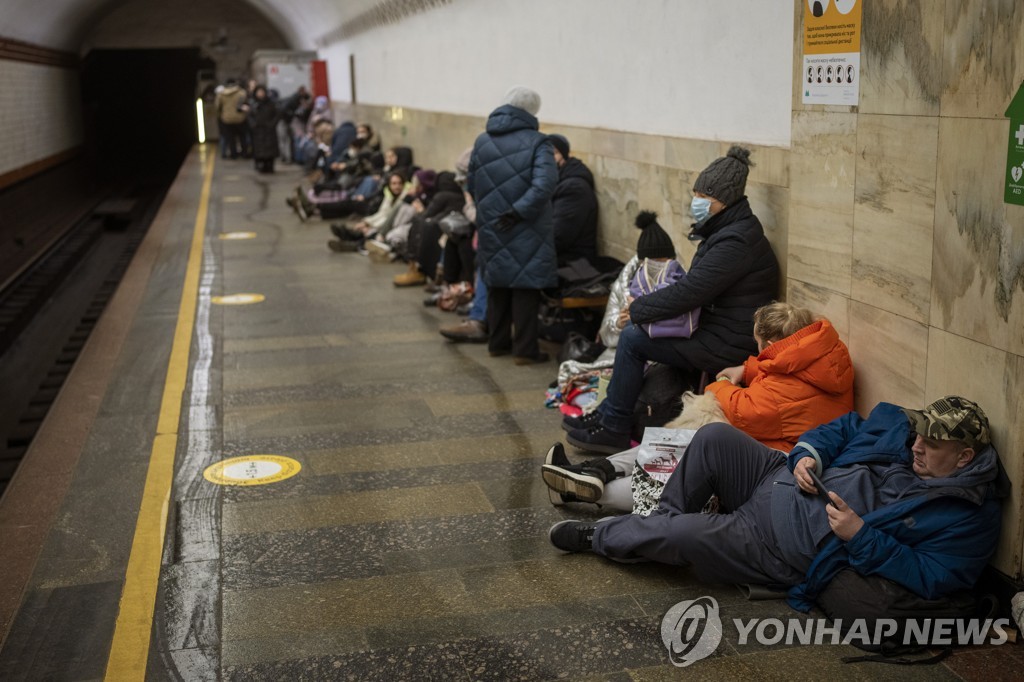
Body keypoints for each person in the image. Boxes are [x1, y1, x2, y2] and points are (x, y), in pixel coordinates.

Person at [549, 396, 1007, 612]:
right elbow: (843, 427)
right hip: (777, 475)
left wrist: (861, 536)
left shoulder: (968, 515)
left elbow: (934, 576)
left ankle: (605, 537)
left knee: (686, 533)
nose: (917, 448)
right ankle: (652, 532)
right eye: (919, 438)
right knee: (712, 437)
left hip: (777, 544)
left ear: (964, 457)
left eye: (932, 446)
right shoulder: (905, 436)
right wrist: (810, 454)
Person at [565, 145, 779, 453]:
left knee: (633, 338)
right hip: (716, 330)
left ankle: (613, 426)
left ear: (724, 201)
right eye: (696, 193)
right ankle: (607, 414)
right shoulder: (728, 230)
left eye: (704, 197)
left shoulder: (735, 241)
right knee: (636, 335)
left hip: (728, 342)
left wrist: (639, 309)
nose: (697, 202)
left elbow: (691, 291)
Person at [542, 302, 855, 509]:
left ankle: (585, 488)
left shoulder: (786, 387)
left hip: (778, 465)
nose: (758, 354)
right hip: (777, 446)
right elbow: (781, 369)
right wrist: (746, 369)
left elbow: (748, 407)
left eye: (759, 347)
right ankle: (593, 471)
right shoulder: (820, 355)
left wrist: (721, 384)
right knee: (679, 442)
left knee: (681, 461)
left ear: (772, 345)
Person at [469, 86, 559, 365]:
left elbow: (472, 182)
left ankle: (497, 344)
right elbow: (545, 183)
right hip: (526, 225)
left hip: (491, 222)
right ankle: (525, 350)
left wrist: (491, 211)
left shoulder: (482, 141)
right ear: (531, 112)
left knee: (497, 283)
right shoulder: (538, 142)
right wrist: (518, 212)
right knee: (524, 287)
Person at [547, 134, 598, 266]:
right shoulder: (554, 180)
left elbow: (558, 237)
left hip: (573, 261)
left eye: (554, 153)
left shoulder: (574, 188)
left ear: (563, 155)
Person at [246, 85, 279, 173]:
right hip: (258, 130)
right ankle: (261, 165)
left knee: (270, 149)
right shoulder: (253, 104)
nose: (260, 94)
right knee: (259, 149)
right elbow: (249, 116)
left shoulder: (271, 103)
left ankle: (270, 166)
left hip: (269, 130)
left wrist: (272, 124)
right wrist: (253, 124)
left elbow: (276, 115)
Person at [215, 78, 248, 159]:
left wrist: (221, 115)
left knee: (231, 138)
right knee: (242, 137)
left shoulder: (221, 94)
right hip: (240, 118)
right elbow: (245, 103)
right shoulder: (241, 92)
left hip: (227, 119)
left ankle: (234, 154)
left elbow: (217, 106)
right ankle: (244, 153)